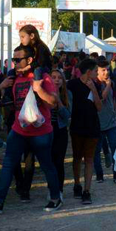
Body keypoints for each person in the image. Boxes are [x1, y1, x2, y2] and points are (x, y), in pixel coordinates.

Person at [0, 45, 63, 214]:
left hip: (41, 132)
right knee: (8, 165)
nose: (15, 63)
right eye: (13, 59)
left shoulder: (42, 77)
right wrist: (2, 88)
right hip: (19, 130)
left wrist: (39, 89)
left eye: (18, 59)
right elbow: (8, 104)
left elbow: (53, 103)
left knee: (47, 165)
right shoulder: (14, 77)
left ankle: (55, 198)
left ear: (29, 60)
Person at [67, 59, 102, 205]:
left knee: (89, 159)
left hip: (92, 127)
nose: (97, 73)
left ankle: (87, 191)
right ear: (89, 71)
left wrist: (93, 89)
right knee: (77, 157)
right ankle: (77, 184)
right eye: (95, 70)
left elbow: (99, 107)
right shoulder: (72, 84)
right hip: (77, 127)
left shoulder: (97, 85)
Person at [94, 61, 116, 184]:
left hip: (111, 123)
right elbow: (101, 98)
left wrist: (115, 111)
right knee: (96, 151)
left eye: (107, 70)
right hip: (98, 123)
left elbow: (113, 98)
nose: (106, 72)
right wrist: (108, 85)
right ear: (97, 71)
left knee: (115, 148)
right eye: (103, 70)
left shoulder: (111, 83)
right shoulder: (94, 84)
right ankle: (99, 175)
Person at [49, 70, 72, 198]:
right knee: (49, 162)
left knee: (59, 162)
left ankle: (59, 190)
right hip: (47, 130)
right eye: (53, 77)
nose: (56, 80)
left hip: (60, 130)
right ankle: (51, 188)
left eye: (59, 78)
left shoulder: (67, 94)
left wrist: (58, 101)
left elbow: (67, 116)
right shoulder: (43, 93)